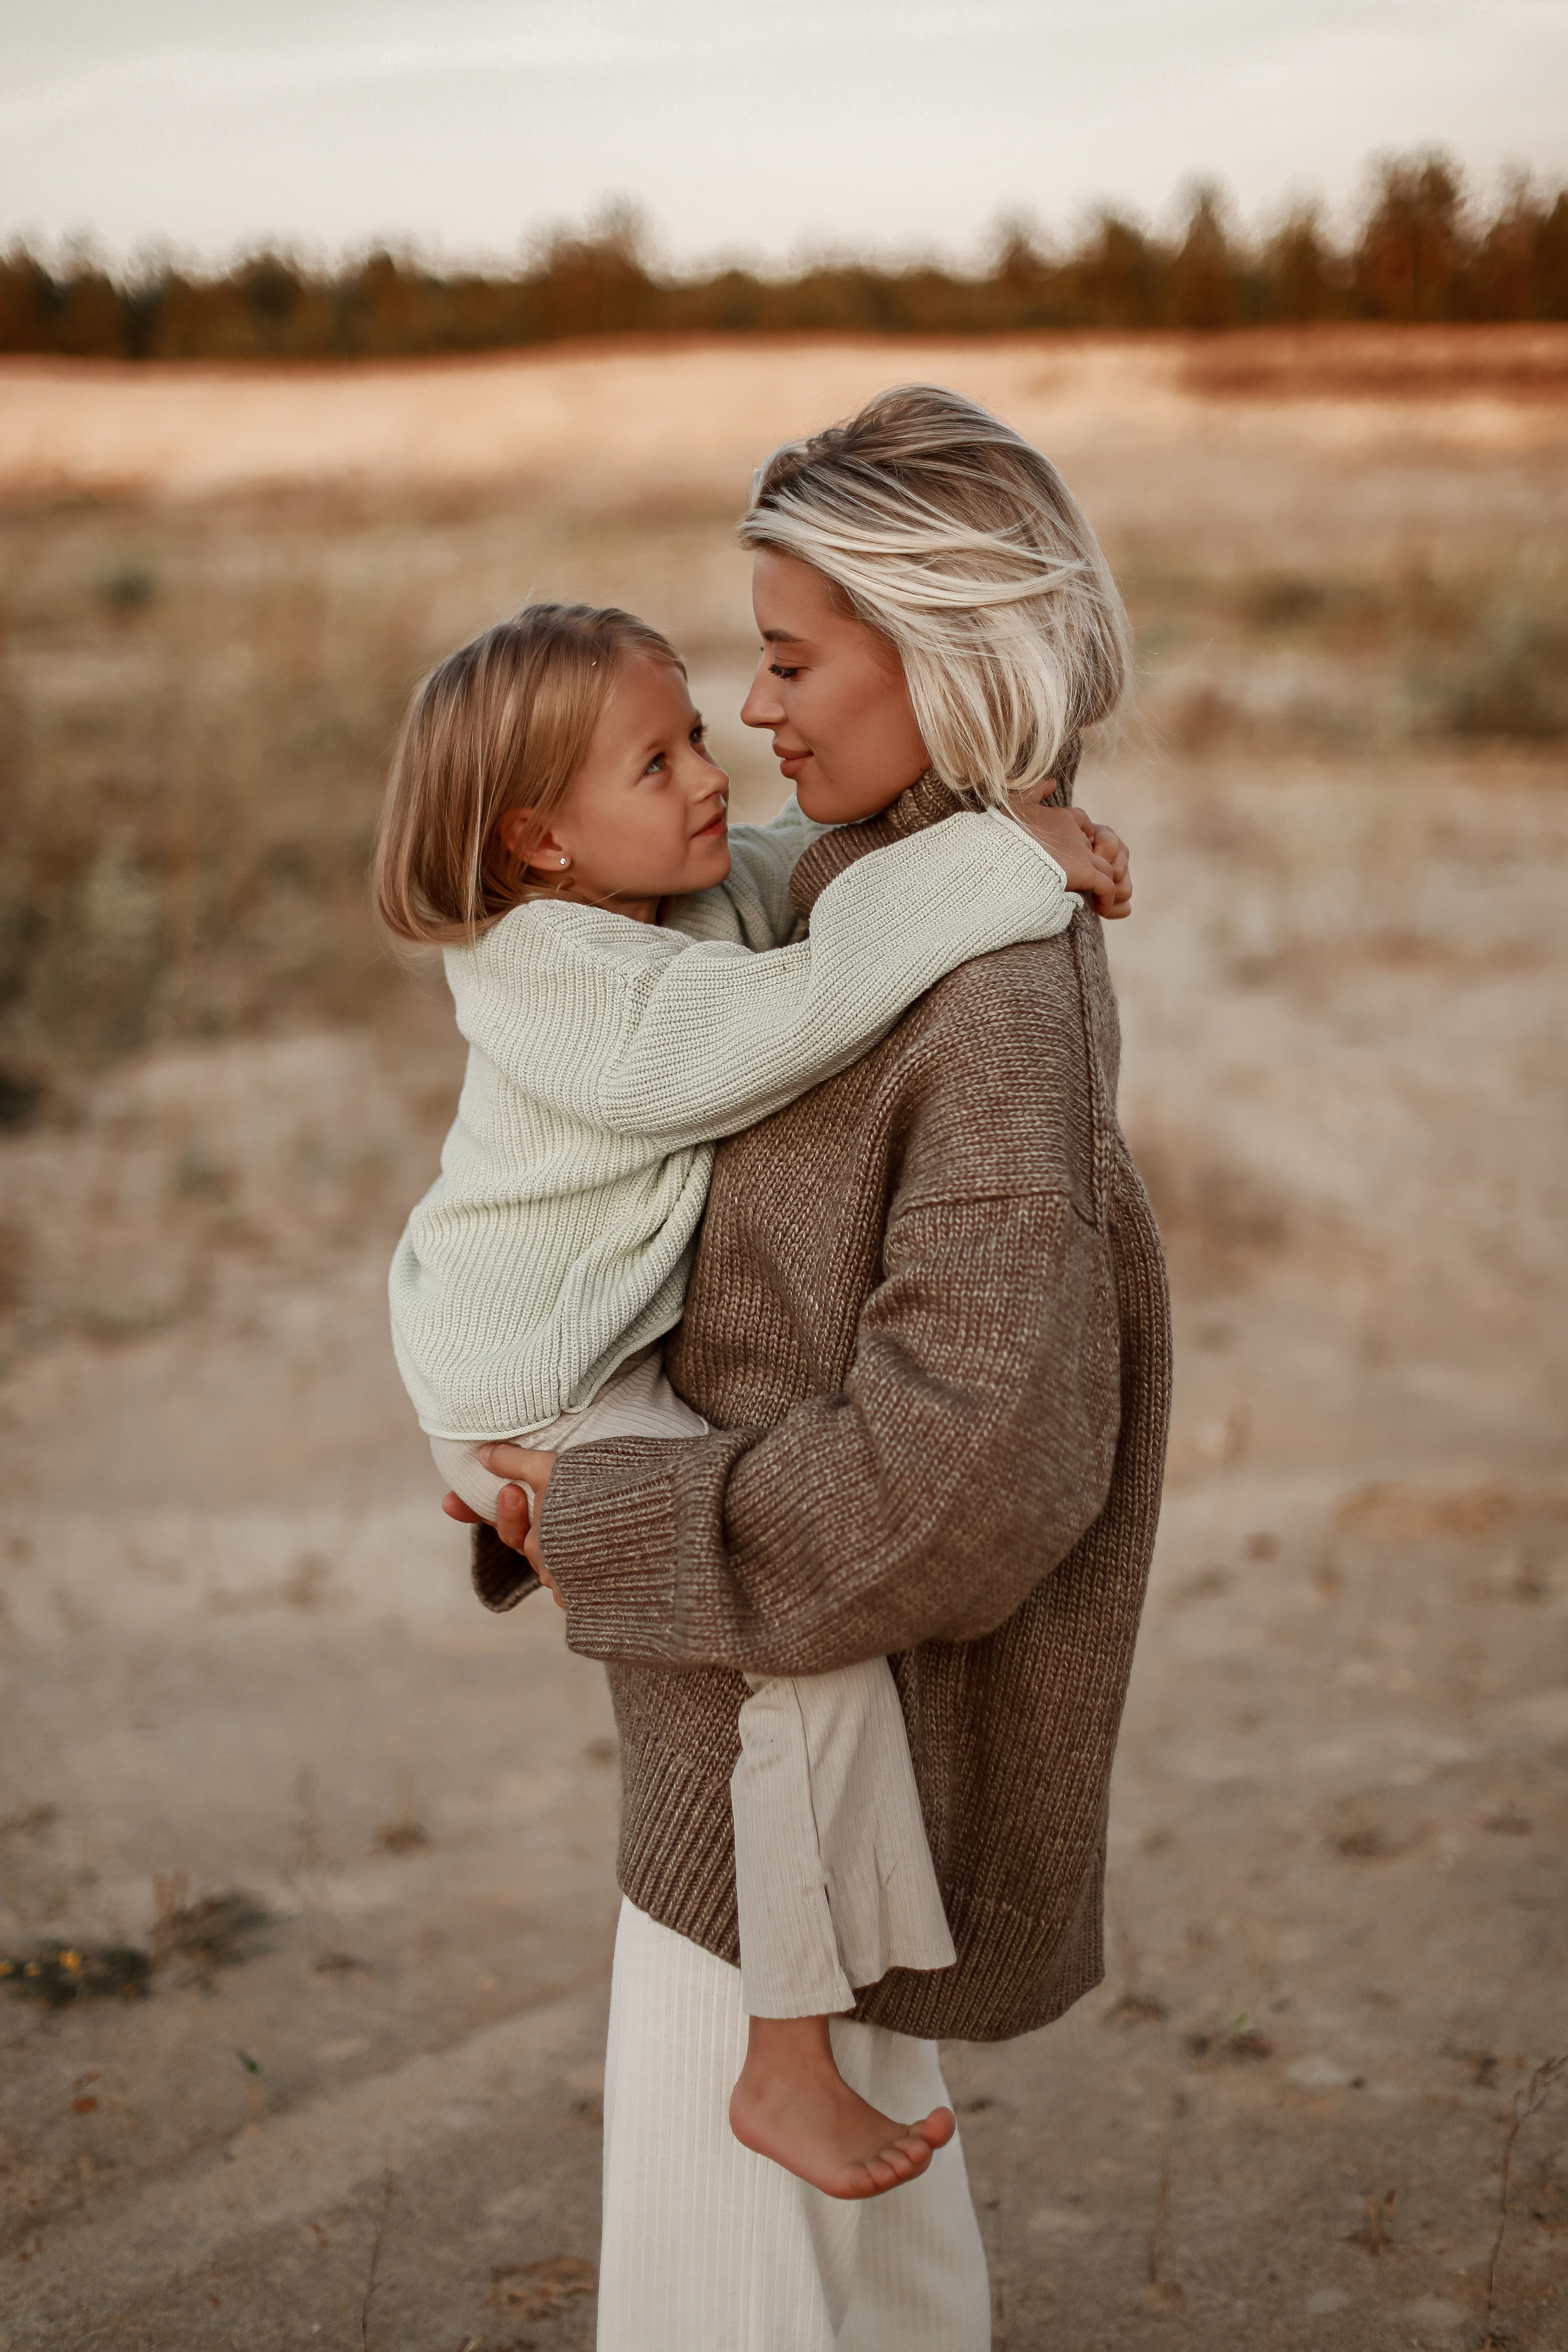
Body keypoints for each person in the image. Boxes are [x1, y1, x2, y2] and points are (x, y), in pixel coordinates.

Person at [456, 384, 1170, 2352]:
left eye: (784, 662)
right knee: (859, 2297)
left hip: (791, 1753)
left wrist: (600, 1510)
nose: (753, 715)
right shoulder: (856, 892)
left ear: (944, 658)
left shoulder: (996, 983)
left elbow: (968, 1473)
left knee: (746, 2303)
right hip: (774, 1736)